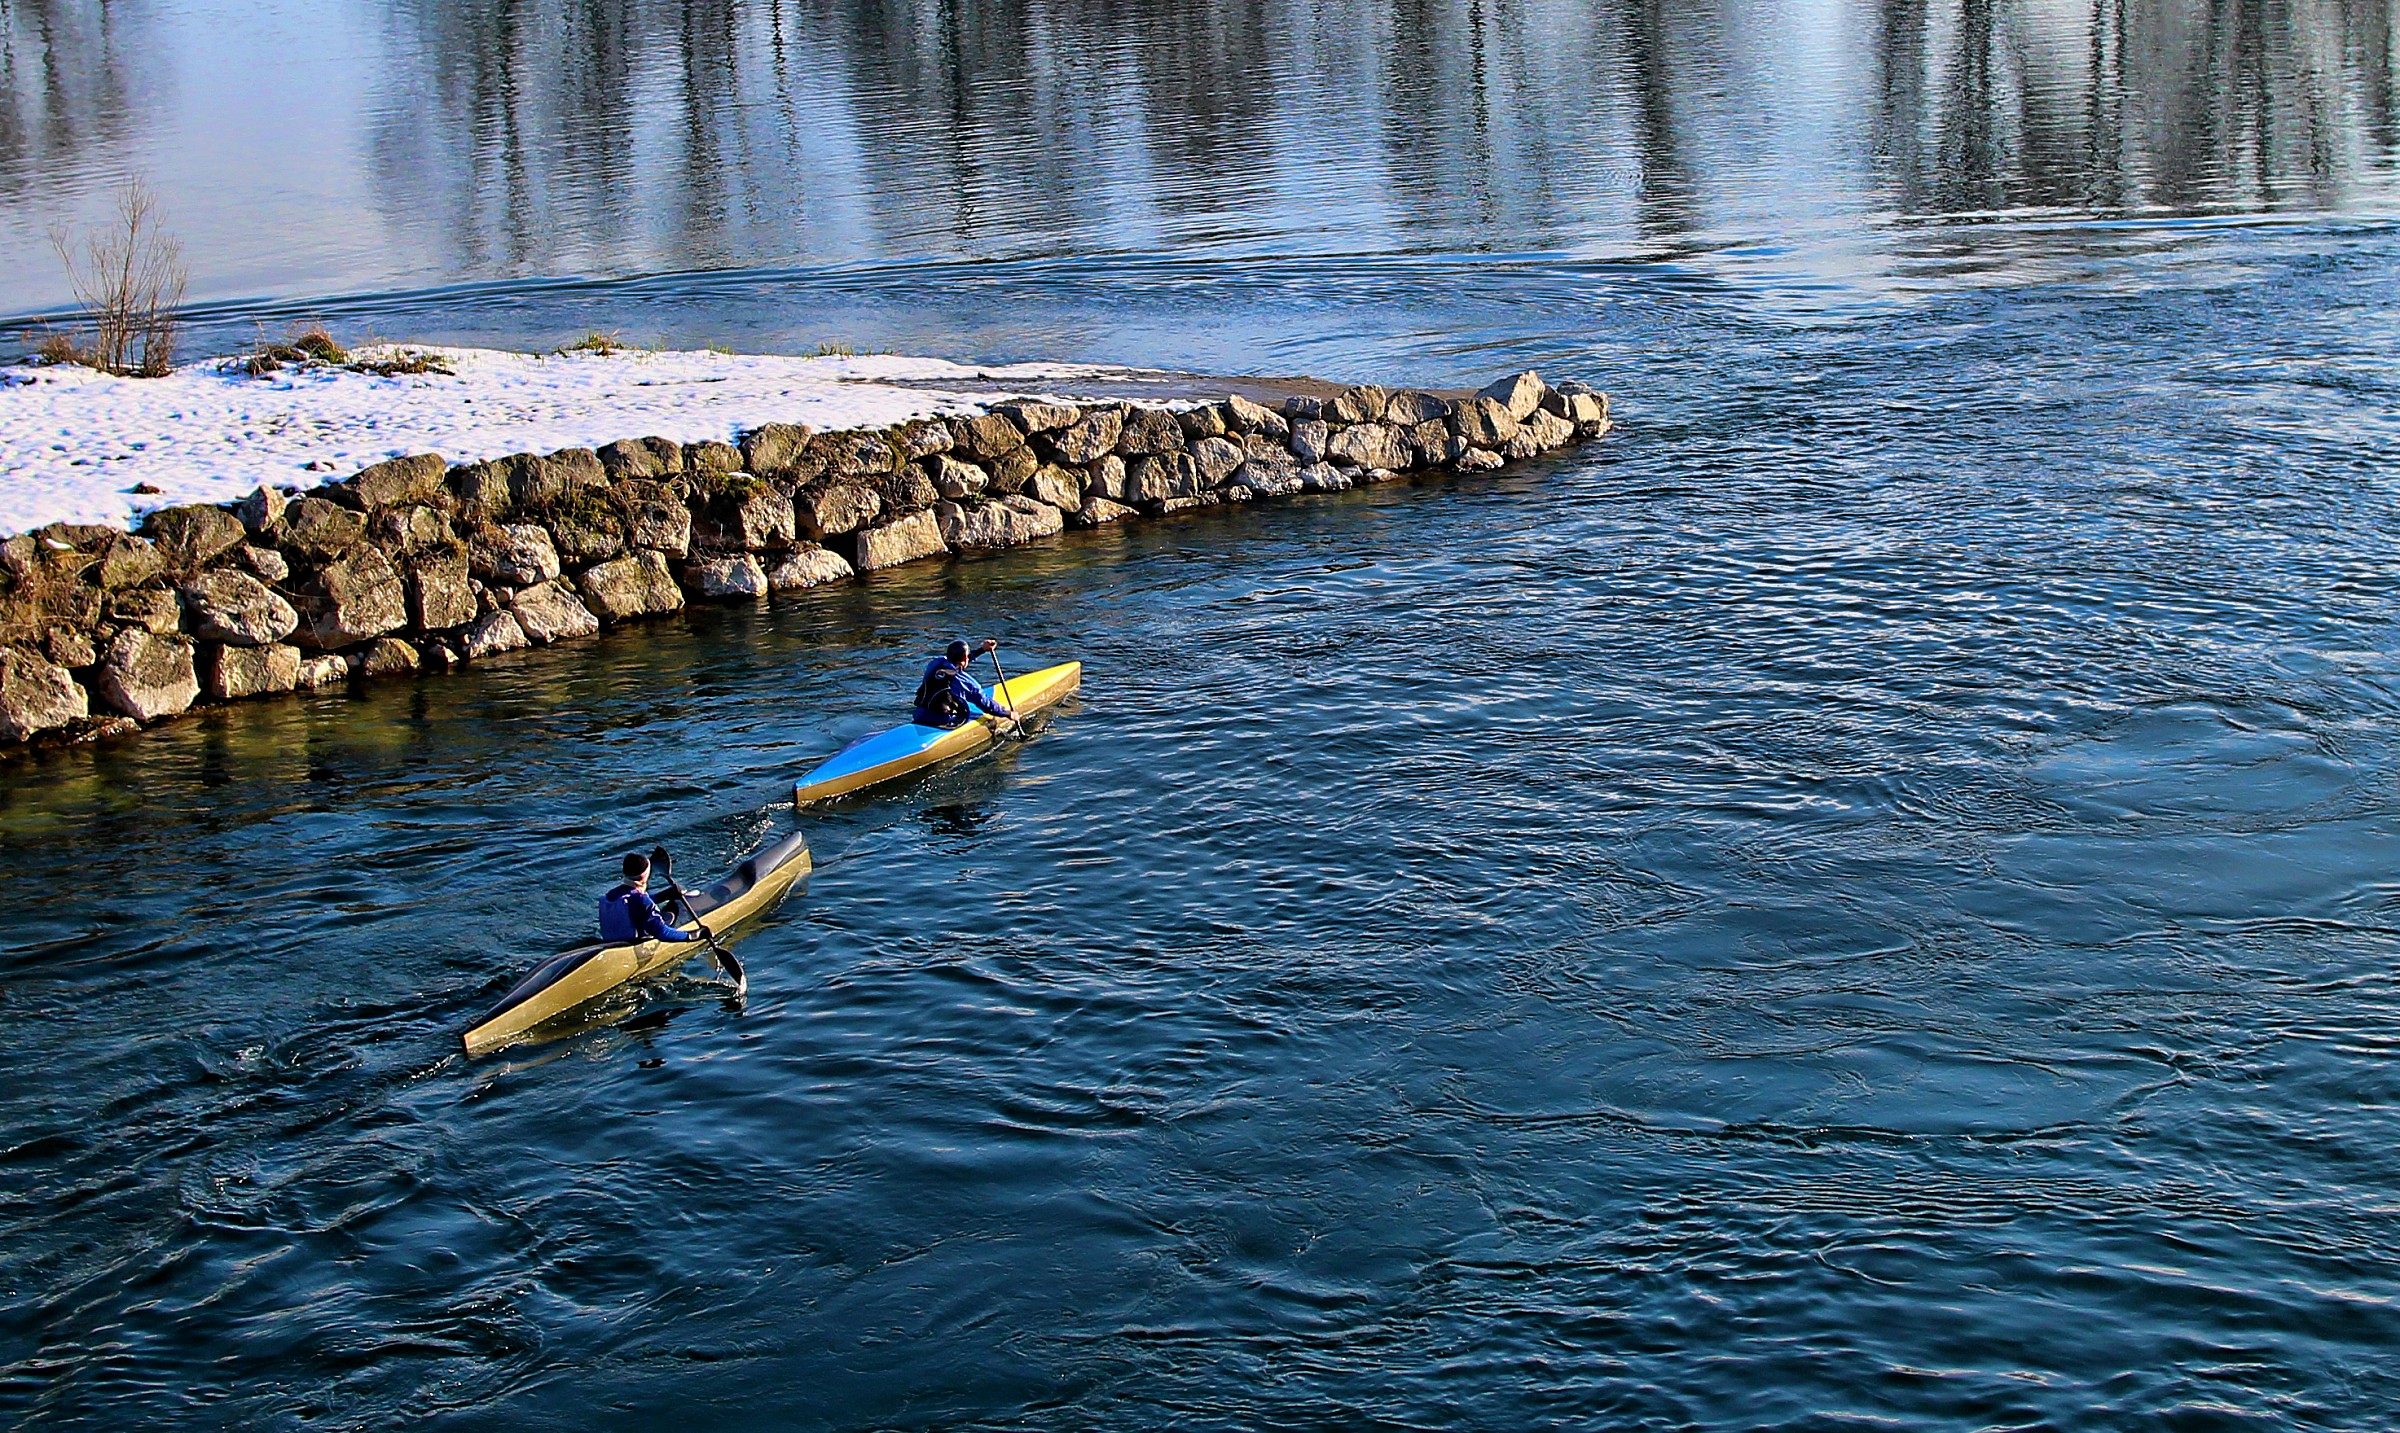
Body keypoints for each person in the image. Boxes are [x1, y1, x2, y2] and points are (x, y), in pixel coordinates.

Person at [598, 852, 702, 945]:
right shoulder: (641, 900)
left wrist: (663, 895)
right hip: (637, 944)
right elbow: (662, 934)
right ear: (644, 877)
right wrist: (694, 935)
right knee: (674, 916)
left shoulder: (611, 894)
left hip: (611, 942)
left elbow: (634, 905)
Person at [913, 638, 1017, 729]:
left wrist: (982, 650)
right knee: (971, 714)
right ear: (964, 659)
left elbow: (958, 662)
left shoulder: (935, 663)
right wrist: (1007, 713)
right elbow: (986, 704)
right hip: (941, 720)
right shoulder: (965, 682)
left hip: (919, 714)